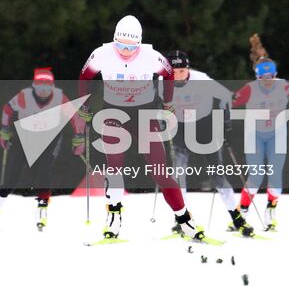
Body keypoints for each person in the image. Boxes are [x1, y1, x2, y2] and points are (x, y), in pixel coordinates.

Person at [78, 15, 205, 240]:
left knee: (160, 171)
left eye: (131, 47)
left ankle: (185, 219)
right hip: (113, 114)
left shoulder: (151, 56)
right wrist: (84, 104)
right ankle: (114, 215)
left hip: (144, 114)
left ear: (139, 43)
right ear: (114, 40)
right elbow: (84, 76)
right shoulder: (102, 54)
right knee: (114, 166)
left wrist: (167, 103)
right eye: (121, 46)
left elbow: (167, 75)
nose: (125, 51)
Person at [0, 67, 85, 229]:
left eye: (47, 87)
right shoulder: (24, 96)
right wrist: (4, 131)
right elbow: (7, 110)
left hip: (49, 139)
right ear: (34, 86)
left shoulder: (59, 97)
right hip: (24, 138)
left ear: (52, 87)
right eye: (39, 87)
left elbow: (75, 117)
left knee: (42, 171)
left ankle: (42, 210)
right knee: (11, 177)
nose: (43, 91)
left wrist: (79, 138)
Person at [164, 49, 255, 237]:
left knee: (217, 175)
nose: (178, 75)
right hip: (180, 128)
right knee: (178, 173)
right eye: (174, 72)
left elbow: (225, 97)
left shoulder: (201, 79)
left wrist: (226, 124)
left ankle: (237, 218)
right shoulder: (161, 82)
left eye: (182, 71)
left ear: (187, 69)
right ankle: (181, 219)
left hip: (204, 126)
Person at [230, 34, 289, 230]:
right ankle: (242, 213)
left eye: (271, 77)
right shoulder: (250, 89)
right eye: (263, 78)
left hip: (277, 134)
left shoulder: (283, 85)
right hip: (255, 135)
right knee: (256, 175)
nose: (268, 81)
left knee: (275, 174)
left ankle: (270, 213)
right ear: (257, 77)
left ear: (275, 74)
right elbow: (230, 103)